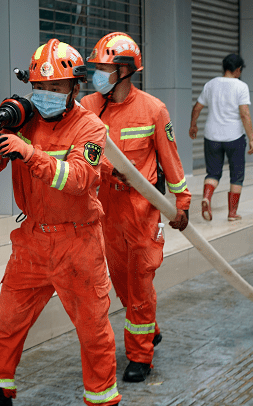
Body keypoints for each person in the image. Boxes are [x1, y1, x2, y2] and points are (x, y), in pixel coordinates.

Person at [0, 38, 122, 406]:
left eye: (55, 88)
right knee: (8, 324)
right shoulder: (23, 120)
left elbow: (80, 179)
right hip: (31, 240)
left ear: (74, 88)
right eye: (40, 88)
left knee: (92, 327)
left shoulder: (90, 126)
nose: (46, 96)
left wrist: (27, 153)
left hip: (78, 243)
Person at [81, 32, 190, 383]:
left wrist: (181, 202)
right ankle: (149, 327)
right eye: (96, 67)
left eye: (104, 67)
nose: (98, 74)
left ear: (126, 70)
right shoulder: (88, 107)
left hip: (142, 211)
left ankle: (141, 355)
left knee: (141, 279)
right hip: (106, 211)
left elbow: (170, 160)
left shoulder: (153, 109)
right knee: (122, 283)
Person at [189, 53, 253, 222]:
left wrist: (193, 125)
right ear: (238, 70)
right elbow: (245, 114)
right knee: (237, 175)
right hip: (234, 137)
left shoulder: (211, 84)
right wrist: (252, 139)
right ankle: (232, 213)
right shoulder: (241, 87)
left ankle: (206, 197)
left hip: (212, 136)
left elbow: (197, 108)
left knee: (213, 173)